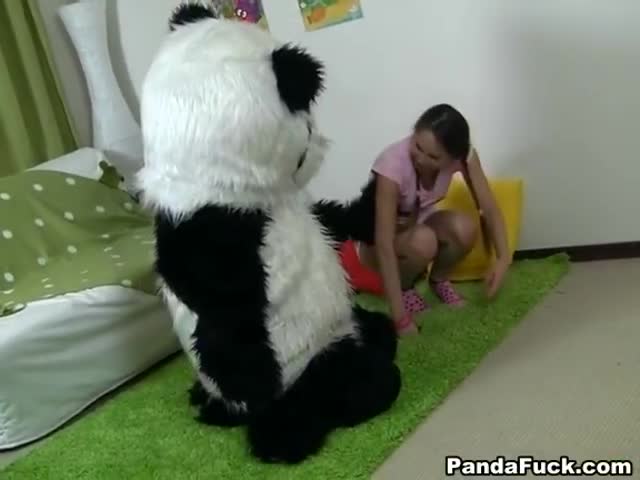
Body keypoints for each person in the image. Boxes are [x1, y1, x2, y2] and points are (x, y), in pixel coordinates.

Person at [340, 104, 511, 335]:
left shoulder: (464, 157)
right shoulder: (392, 165)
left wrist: (503, 258)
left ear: (452, 159)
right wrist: (400, 319)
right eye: (417, 146)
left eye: (433, 157)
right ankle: (404, 288)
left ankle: (438, 280)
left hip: (417, 225)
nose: (420, 159)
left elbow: (488, 207)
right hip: (377, 243)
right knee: (425, 241)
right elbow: (383, 243)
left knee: (465, 228)